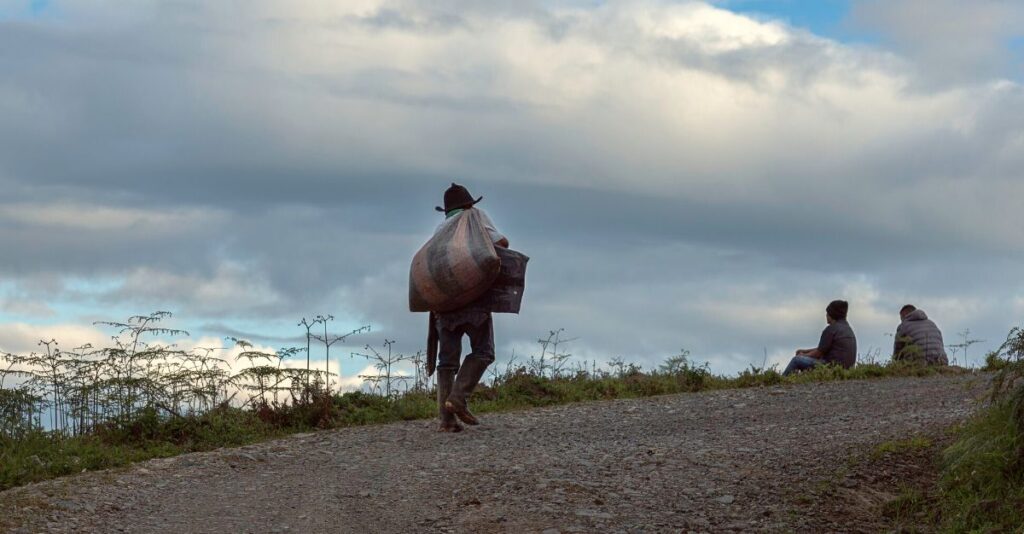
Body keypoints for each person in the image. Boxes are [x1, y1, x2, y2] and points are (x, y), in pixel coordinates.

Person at [429, 183, 508, 432]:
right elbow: (502, 243)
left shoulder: (440, 228)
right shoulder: (474, 217)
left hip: (444, 302)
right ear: (469, 204)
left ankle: (446, 421)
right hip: (473, 299)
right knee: (483, 351)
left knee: (446, 362)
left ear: (446, 210)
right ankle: (458, 397)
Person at [783, 300, 857, 376]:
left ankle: (781, 381)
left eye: (827, 313)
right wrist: (805, 351)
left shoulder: (831, 329)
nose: (826, 316)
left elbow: (818, 354)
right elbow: (823, 348)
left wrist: (802, 356)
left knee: (796, 360)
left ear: (832, 314)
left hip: (831, 368)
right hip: (847, 370)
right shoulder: (848, 329)